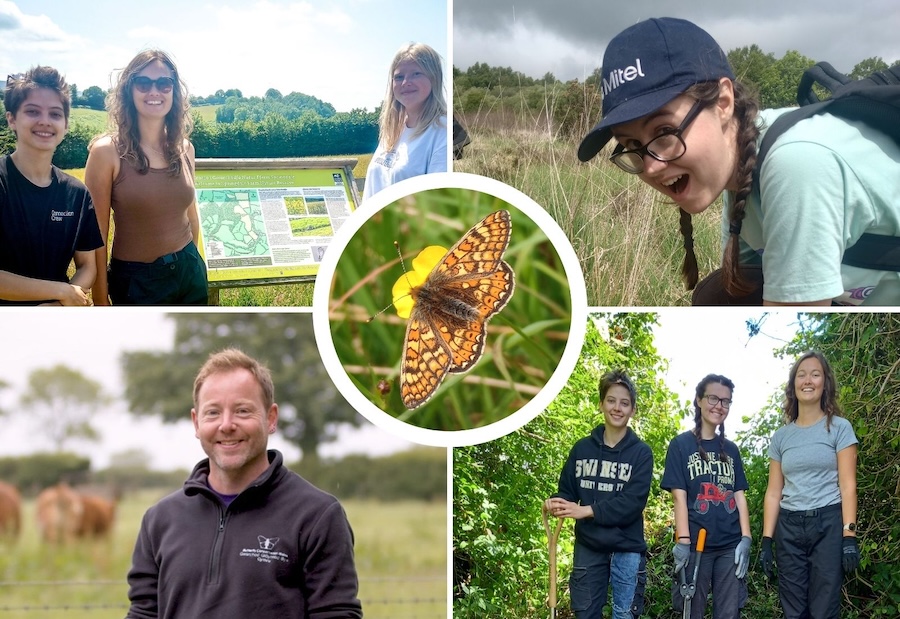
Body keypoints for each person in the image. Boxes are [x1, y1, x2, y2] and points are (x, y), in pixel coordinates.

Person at [577, 17, 900, 306]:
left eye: (664, 131)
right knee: (719, 294)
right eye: (632, 145)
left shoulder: (797, 164)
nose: (650, 167)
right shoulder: (740, 167)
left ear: (723, 101)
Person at [126, 349, 362, 618]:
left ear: (271, 418)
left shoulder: (317, 515)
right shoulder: (160, 519)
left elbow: (336, 614)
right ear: (196, 422)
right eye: (213, 413)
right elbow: (143, 613)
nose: (226, 425)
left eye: (242, 411)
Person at [84, 49, 207, 305]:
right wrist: (100, 300)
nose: (154, 91)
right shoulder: (106, 152)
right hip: (138, 284)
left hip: (190, 273)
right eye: (143, 83)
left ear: (174, 91)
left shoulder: (185, 148)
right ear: (129, 89)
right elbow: (96, 235)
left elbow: (191, 216)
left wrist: (194, 263)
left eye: (164, 83)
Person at [543, 370, 653, 619]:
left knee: (624, 615)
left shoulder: (641, 453)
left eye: (624, 403)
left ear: (633, 410)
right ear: (601, 403)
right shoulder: (582, 449)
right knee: (585, 614)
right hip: (589, 546)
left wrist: (586, 510)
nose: (617, 408)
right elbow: (567, 491)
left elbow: (632, 503)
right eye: (611, 400)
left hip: (627, 548)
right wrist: (557, 502)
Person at [761, 351, 859, 619]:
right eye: (801, 375)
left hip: (827, 524)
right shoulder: (781, 437)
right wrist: (767, 540)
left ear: (825, 383)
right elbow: (773, 492)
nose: (808, 380)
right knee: (794, 612)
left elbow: (848, 485)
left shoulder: (840, 428)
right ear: (793, 384)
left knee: (824, 610)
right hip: (789, 528)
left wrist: (849, 536)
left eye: (815, 375)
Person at [0, 67, 103, 305]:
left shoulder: (77, 194)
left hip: (56, 320)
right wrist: (62, 292)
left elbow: (87, 266)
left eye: (55, 114)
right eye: (32, 111)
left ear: (65, 125)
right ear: (12, 119)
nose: (45, 121)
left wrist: (58, 306)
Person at [661, 374, 751, 619]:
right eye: (713, 398)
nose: (719, 406)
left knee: (729, 613)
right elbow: (679, 497)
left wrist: (746, 538)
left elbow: (739, 495)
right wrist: (683, 541)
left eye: (726, 401)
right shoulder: (681, 445)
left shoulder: (731, 450)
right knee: (691, 611)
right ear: (699, 400)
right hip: (695, 546)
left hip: (730, 547)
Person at [362, 42, 448, 202]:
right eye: (399, 77)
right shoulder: (393, 129)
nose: (406, 82)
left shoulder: (443, 131)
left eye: (416, 74)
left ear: (434, 78)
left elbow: (438, 202)